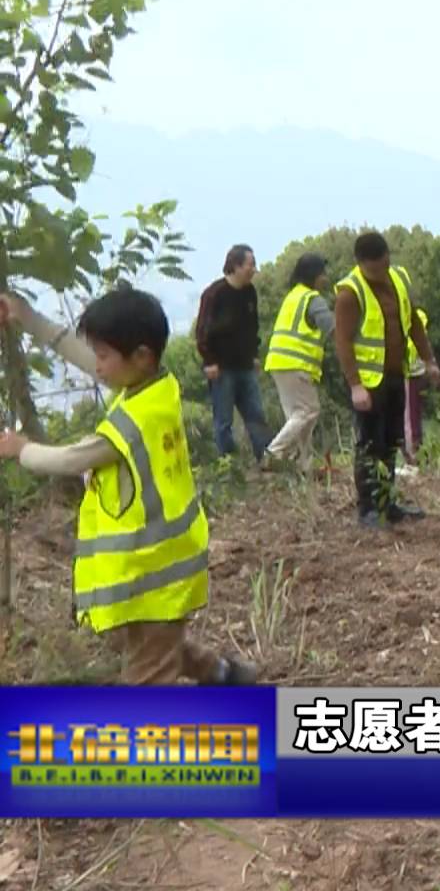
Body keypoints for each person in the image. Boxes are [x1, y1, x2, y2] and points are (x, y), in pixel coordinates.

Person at [0, 289, 256, 686]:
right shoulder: (155, 385)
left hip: (153, 576)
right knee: (149, 643)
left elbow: (70, 459)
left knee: (147, 673)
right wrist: (27, 317)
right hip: (145, 576)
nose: (97, 366)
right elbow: (79, 351)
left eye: (103, 356)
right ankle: (223, 674)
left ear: (140, 356)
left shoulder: (132, 422)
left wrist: (22, 450)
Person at [333, 231, 439, 528]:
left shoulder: (398, 279)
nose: (379, 273)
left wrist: (428, 359)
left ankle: (388, 502)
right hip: (368, 384)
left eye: (383, 265)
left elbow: (414, 322)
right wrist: (355, 385)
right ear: (360, 264)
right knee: (370, 445)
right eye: (373, 269)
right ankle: (368, 508)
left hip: (395, 375)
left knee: (392, 441)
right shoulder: (349, 293)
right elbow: (342, 341)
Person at [195, 244, 272, 464]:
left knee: (256, 415)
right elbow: (202, 331)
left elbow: (252, 326)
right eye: (250, 264)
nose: (254, 269)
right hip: (221, 368)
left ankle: (265, 459)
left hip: (245, 365)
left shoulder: (250, 293)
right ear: (236, 266)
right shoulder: (214, 294)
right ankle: (230, 467)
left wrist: (254, 354)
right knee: (223, 421)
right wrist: (209, 361)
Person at [262, 253, 334, 469]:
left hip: (279, 362)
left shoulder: (294, 296)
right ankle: (273, 453)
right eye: (323, 273)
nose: (326, 278)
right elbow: (331, 327)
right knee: (307, 411)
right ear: (314, 275)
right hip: (295, 363)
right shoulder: (313, 299)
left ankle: (304, 464)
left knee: (299, 416)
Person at [400, 304, 431, 477]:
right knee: (413, 419)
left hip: (409, 376)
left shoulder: (407, 324)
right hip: (416, 375)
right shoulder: (419, 319)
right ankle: (415, 457)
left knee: (410, 421)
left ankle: (413, 460)